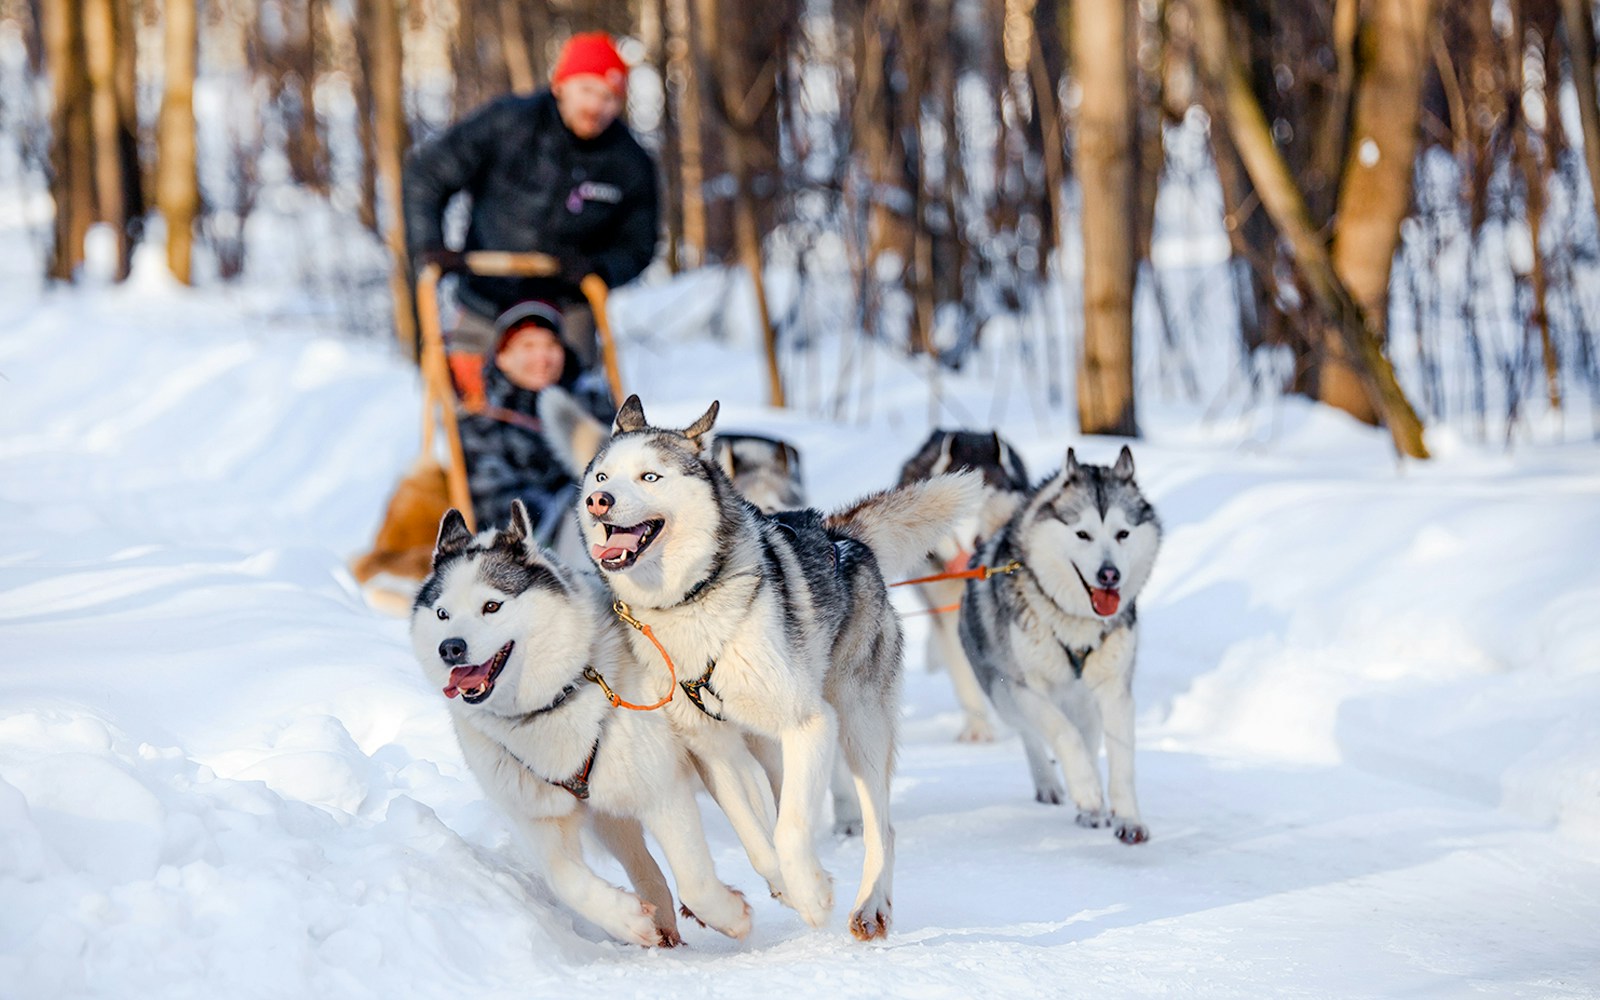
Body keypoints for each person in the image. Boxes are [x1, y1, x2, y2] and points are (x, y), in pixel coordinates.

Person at [402, 32, 660, 368]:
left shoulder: (629, 162)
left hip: (567, 308)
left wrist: (600, 268)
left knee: (572, 407)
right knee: (467, 404)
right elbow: (426, 175)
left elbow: (638, 245)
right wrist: (429, 244)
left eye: (609, 97)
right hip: (486, 296)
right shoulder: (508, 123)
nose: (596, 106)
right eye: (587, 90)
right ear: (560, 85)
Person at [458, 301, 615, 542]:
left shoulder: (594, 408)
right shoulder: (483, 427)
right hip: (533, 548)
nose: (542, 357)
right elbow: (497, 510)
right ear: (502, 358)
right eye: (527, 346)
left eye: (551, 345)